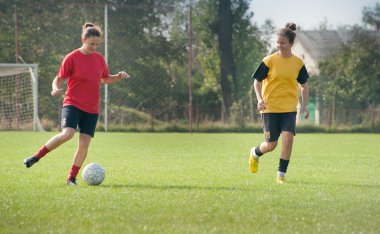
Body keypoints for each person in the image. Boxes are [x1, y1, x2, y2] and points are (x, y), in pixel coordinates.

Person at [24, 22, 130, 185]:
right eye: (91, 44)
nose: (94, 47)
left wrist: (118, 76)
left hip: (92, 109)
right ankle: (36, 157)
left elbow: (105, 79)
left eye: (97, 44)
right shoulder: (72, 57)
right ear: (83, 39)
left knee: (84, 144)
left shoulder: (100, 59)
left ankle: (71, 178)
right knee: (67, 134)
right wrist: (54, 88)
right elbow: (58, 78)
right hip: (72, 104)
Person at [249, 22, 309, 184]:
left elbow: (304, 86)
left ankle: (281, 175)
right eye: (277, 43)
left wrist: (304, 106)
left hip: (289, 108)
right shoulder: (269, 61)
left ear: (290, 43)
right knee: (271, 145)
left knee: (288, 138)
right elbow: (257, 82)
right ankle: (255, 153)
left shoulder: (298, 63)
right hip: (270, 108)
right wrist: (260, 99)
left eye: (282, 43)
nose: (279, 45)